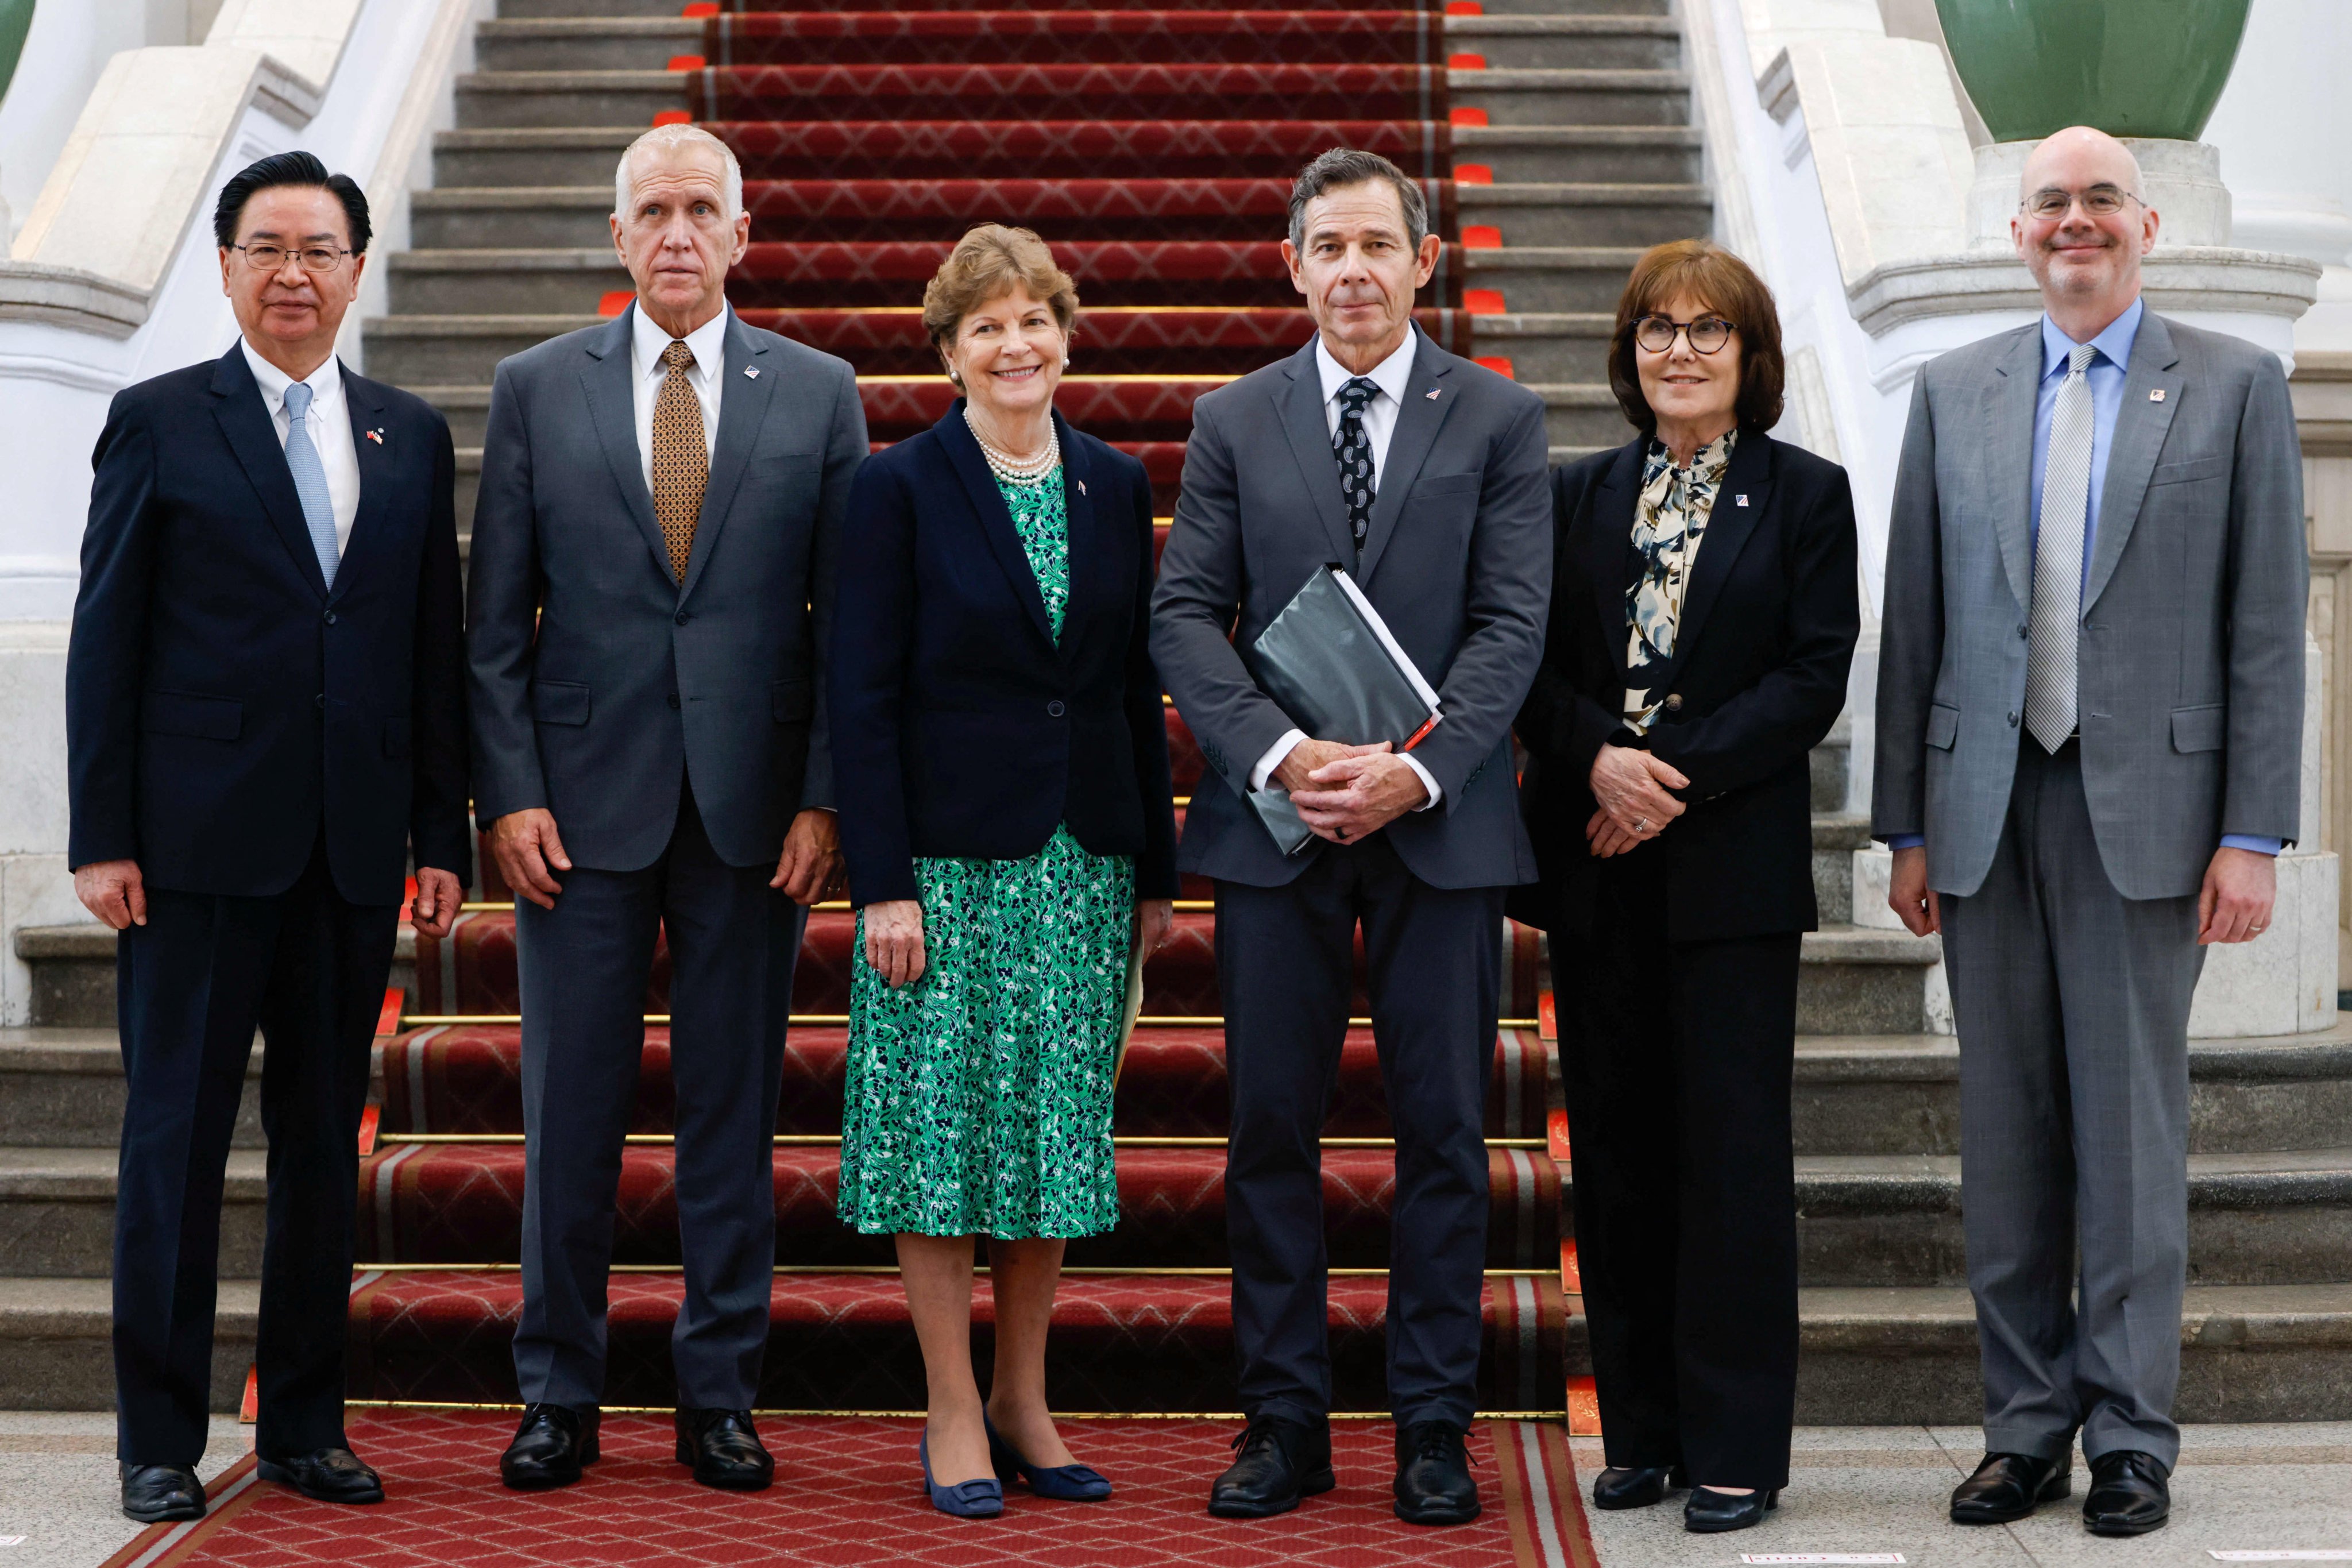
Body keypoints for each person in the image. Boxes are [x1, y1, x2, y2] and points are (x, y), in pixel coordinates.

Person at [1872, 126, 2307, 1539]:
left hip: (2154, 819)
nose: (2076, 221)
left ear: (2147, 222)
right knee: (2003, 1141)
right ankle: (2021, 1430)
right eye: (2050, 202)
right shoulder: (1953, 392)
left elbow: (2262, 631)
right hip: (1982, 809)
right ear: (2017, 231)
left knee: (2129, 1141)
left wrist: (2250, 831)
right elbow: (1917, 627)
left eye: (2100, 200)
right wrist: (1903, 829)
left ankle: (2129, 1436)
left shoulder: (2234, 388)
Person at [65, 152, 469, 1521]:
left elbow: (429, 650)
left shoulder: (406, 436)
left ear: (358, 265)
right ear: (225, 266)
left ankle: (301, 1422)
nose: (294, 271)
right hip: (188, 852)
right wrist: (101, 832)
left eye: (320, 248)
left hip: (351, 853)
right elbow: (105, 638)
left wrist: (439, 831)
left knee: (317, 1147)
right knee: (172, 1144)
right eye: (266, 246)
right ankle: (159, 1436)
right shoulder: (160, 421)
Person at [1150, 148, 1551, 1527]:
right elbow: (1181, 616)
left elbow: (1511, 629)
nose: (1354, 272)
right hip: (1276, 826)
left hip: (1441, 832)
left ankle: (1432, 1428)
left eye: (1378, 245)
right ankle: (1284, 1424)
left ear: (1422, 261)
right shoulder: (1233, 419)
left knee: (1442, 1133)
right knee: (1271, 1129)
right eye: (1328, 248)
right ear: (1292, 266)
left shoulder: (1497, 418)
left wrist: (1417, 773)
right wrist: (1281, 751)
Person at [465, 123, 866, 1492]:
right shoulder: (534, 387)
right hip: (573, 820)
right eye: (655, 211)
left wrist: (823, 797)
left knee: (730, 1116)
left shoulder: (818, 393)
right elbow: (494, 629)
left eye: (704, 210)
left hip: (754, 819)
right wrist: (507, 795)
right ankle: (557, 1392)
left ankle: (718, 1393)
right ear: (618, 233)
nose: (679, 233)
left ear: (743, 236)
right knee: (567, 1114)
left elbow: (845, 630)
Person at [829, 225, 1179, 1519]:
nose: (1014, 343)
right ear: (947, 352)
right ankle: (951, 1407)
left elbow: (1127, 687)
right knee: (939, 1138)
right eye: (985, 326)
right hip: (943, 870)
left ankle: (1028, 1402)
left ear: (1065, 335)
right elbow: (858, 698)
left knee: (1050, 1142)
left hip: (1080, 864)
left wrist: (1152, 862)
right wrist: (880, 882)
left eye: (1033, 319)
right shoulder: (899, 486)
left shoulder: (1110, 480)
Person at [1512, 240, 1857, 1534]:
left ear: (1749, 354)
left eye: (1708, 330)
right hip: (1596, 871)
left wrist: (1659, 778)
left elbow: (1809, 679)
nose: (1679, 349)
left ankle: (1732, 1449)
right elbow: (1527, 666)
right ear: (1628, 352)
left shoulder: (1807, 495)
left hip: (1725, 876)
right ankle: (1642, 1430)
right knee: (1612, 1156)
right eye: (1656, 328)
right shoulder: (1575, 495)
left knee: (1727, 1161)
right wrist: (1594, 758)